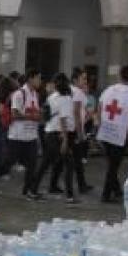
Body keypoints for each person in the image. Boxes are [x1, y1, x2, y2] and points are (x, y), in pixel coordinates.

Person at [0, 68, 43, 200]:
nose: (40, 81)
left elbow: (35, 111)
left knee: (32, 164)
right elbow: (15, 114)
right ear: (31, 78)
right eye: (38, 78)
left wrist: (39, 116)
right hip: (17, 136)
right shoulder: (19, 94)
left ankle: (28, 191)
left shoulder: (35, 95)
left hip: (31, 136)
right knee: (8, 164)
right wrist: (32, 117)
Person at [97, 65, 128, 202]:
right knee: (113, 165)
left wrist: (99, 126)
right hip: (120, 134)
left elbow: (99, 108)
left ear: (119, 76)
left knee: (111, 163)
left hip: (105, 131)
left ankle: (116, 190)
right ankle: (105, 195)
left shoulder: (109, 89)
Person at [36, 73, 79, 204]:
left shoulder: (52, 97)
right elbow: (63, 119)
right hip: (58, 134)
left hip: (49, 133)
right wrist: (65, 140)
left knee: (45, 164)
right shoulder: (65, 99)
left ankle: (32, 189)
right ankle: (70, 196)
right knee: (69, 164)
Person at [51, 68, 93, 193]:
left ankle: (78, 184)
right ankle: (77, 187)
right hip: (72, 129)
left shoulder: (68, 90)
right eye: (83, 78)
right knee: (73, 159)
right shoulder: (77, 92)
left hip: (66, 127)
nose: (85, 81)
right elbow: (76, 113)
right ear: (75, 79)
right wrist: (80, 133)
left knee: (70, 158)